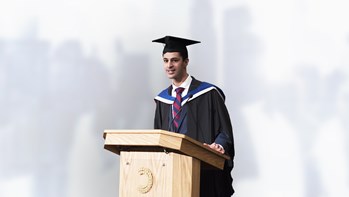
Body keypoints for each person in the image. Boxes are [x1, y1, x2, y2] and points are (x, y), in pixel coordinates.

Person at [152, 35, 235, 197]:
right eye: (165, 60)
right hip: (171, 173)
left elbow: (225, 132)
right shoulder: (162, 100)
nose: (169, 65)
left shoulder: (209, 94)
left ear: (186, 62)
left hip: (203, 173)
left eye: (174, 60)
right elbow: (158, 138)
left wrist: (218, 146)